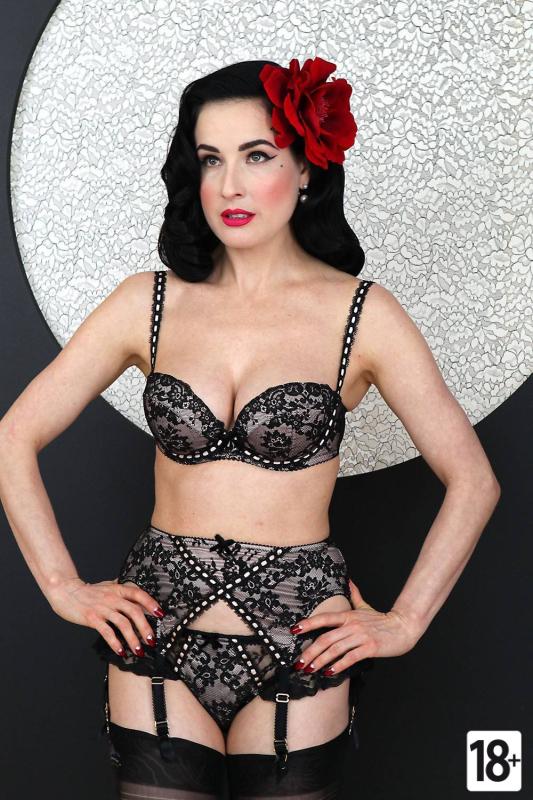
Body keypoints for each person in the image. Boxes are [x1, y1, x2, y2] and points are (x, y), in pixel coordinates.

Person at [0, 57, 500, 799]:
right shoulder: (147, 303)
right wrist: (61, 586)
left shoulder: (362, 315)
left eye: (257, 155)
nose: (229, 185)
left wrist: (405, 621)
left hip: (301, 636)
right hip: (157, 628)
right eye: (211, 159)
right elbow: (13, 435)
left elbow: (473, 481)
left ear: (307, 170)